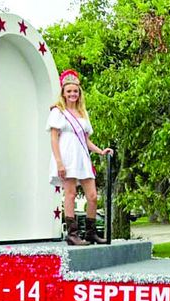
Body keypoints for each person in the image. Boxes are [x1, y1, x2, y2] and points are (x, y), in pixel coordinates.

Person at [47, 69, 113, 246]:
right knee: (70, 194)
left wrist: (100, 151)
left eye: (75, 91)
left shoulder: (83, 113)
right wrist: (59, 162)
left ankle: (91, 233)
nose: (72, 94)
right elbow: (54, 138)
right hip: (67, 156)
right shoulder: (58, 112)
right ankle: (72, 234)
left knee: (92, 196)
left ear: (79, 92)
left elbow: (86, 139)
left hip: (82, 157)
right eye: (69, 91)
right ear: (63, 93)